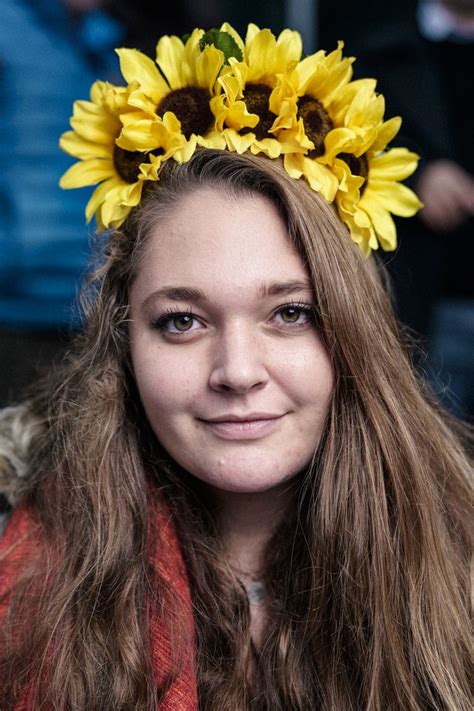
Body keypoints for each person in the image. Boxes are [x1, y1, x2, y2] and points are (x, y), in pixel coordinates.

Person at [0, 23, 472, 710]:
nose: (238, 370)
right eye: (182, 321)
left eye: (289, 313)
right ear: (124, 344)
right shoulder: (23, 571)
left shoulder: (456, 550)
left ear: (355, 329)